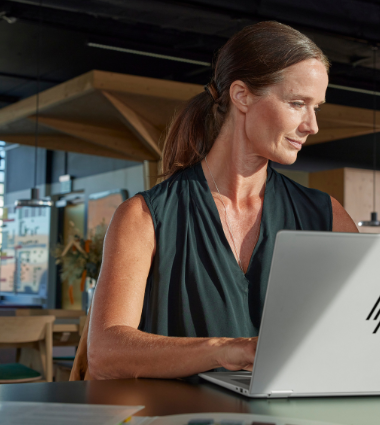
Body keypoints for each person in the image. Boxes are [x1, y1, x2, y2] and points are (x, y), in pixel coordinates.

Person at [87, 21, 359, 380]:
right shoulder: (144, 217)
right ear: (242, 95)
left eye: (316, 108)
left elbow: (365, 329)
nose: (312, 125)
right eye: (297, 104)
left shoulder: (329, 216)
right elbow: (106, 352)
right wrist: (229, 349)